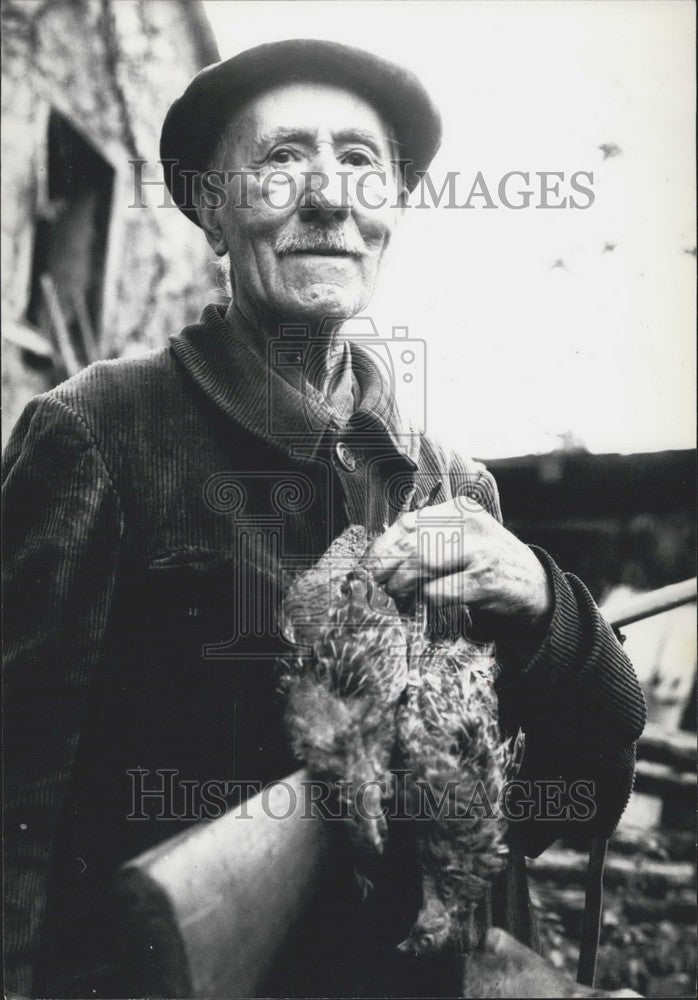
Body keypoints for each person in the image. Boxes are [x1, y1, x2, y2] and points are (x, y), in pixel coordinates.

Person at [3, 39, 646, 998]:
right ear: (212, 209)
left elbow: (578, 794)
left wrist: (543, 602)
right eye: (282, 160)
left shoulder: (454, 484)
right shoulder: (98, 433)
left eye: (361, 164)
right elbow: (17, 806)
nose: (330, 197)